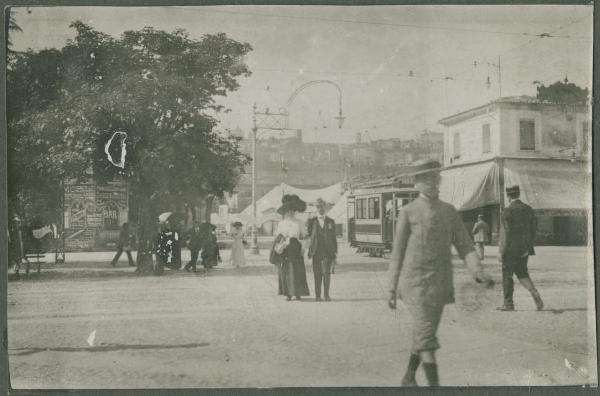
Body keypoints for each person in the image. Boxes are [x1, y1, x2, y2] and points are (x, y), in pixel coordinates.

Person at [387, 159, 494, 387]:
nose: (433, 183)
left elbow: (465, 245)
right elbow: (397, 253)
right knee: (426, 336)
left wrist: (478, 270)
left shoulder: (449, 211)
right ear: (416, 183)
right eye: (427, 179)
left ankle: (408, 377)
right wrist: (390, 288)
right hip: (414, 285)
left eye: (436, 177)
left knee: (424, 334)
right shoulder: (408, 212)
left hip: (440, 285)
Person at [497, 185, 543, 312]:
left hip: (510, 249)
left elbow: (505, 233)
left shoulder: (507, 211)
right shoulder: (528, 209)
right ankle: (534, 292)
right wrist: (528, 245)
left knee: (507, 275)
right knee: (522, 273)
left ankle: (508, 304)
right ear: (518, 194)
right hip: (524, 249)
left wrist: (501, 251)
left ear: (508, 196)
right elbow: (534, 229)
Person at [269, 194, 310, 301]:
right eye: (288, 210)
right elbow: (278, 237)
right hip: (285, 249)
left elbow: (305, 236)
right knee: (286, 270)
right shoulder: (282, 223)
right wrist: (281, 244)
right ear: (285, 211)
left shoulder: (300, 223)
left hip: (296, 248)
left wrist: (303, 248)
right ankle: (288, 293)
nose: (290, 212)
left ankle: (298, 293)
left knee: (297, 270)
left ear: (295, 210)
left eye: (292, 210)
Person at [307, 198, 337, 301]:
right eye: (318, 207)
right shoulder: (311, 221)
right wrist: (309, 251)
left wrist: (335, 254)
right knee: (317, 275)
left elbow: (334, 238)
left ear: (325, 208)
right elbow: (309, 237)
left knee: (326, 274)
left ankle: (326, 295)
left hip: (327, 252)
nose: (320, 209)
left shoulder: (331, 221)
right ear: (315, 208)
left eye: (322, 207)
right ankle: (318, 296)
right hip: (316, 252)